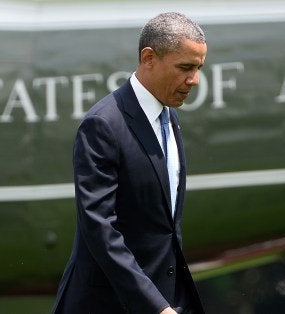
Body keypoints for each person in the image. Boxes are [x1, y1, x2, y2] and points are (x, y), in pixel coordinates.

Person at [52, 12, 207, 314]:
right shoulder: (103, 124)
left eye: (199, 67)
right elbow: (100, 228)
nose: (194, 80)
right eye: (185, 67)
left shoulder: (170, 117)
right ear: (148, 58)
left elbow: (165, 229)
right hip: (107, 305)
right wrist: (155, 307)